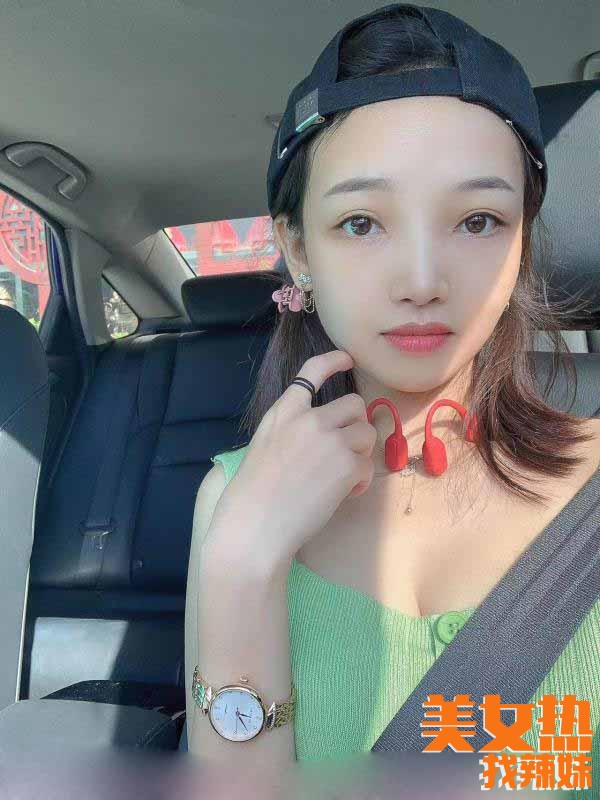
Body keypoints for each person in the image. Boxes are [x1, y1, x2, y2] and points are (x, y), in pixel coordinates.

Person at [183, 2, 600, 783]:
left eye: (479, 220)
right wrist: (241, 565)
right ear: (298, 249)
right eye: (361, 223)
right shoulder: (230, 497)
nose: (421, 281)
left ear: (522, 243)